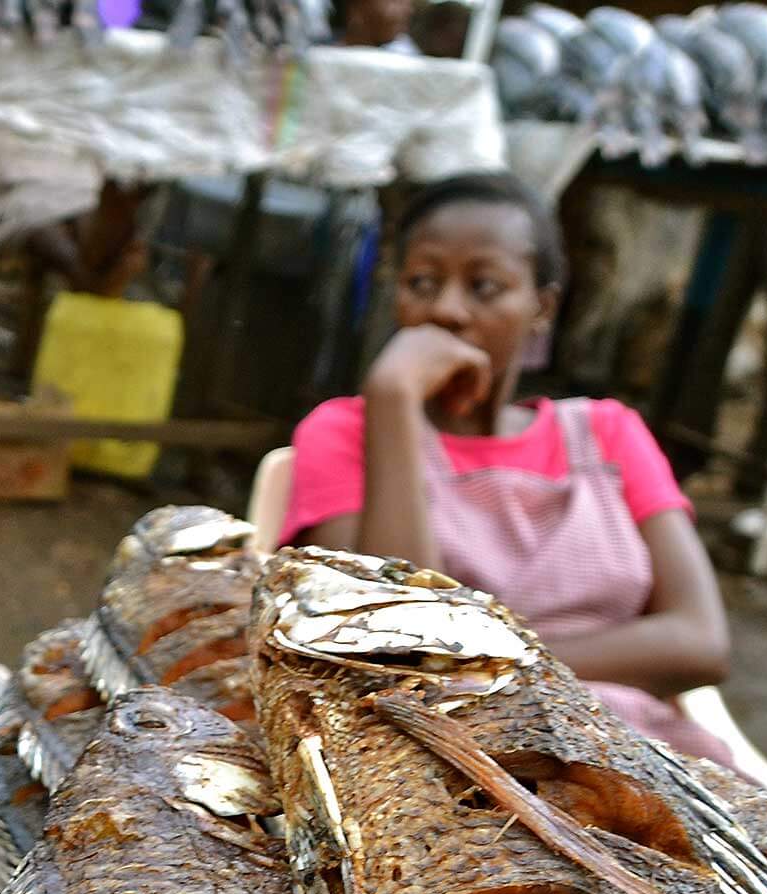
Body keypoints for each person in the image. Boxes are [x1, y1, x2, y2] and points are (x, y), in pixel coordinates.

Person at [286, 171, 735, 763]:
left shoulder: (607, 434)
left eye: (484, 286)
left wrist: (487, 660)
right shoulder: (348, 431)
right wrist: (394, 399)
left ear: (542, 308)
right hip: (432, 755)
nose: (446, 310)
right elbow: (393, 641)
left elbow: (700, 641)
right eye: (422, 282)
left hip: (633, 749)